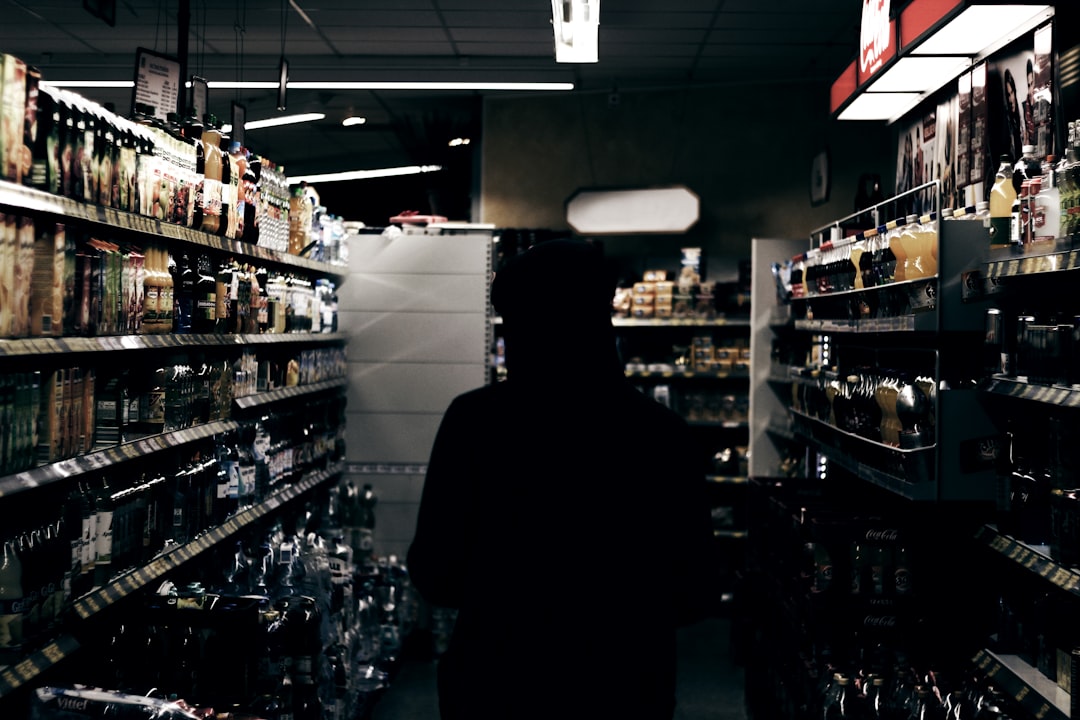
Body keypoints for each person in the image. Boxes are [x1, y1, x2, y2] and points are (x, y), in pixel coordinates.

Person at [407, 239, 718, 720]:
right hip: (624, 689)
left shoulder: (474, 423)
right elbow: (696, 592)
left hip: (497, 685)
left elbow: (435, 574)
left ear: (528, 330)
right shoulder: (661, 433)